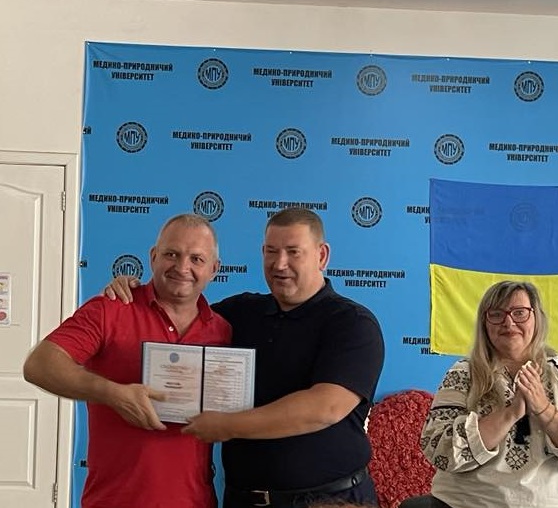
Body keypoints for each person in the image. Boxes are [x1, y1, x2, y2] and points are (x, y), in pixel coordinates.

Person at [105, 207, 386, 508]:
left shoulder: (352, 323)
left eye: (293, 252)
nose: (280, 263)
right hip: (242, 499)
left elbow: (325, 407)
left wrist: (228, 425)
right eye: (271, 251)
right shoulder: (238, 313)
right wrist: (131, 295)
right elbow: (174, 316)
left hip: (330, 500)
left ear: (322, 256)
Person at [22, 213, 231, 508]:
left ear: (214, 269)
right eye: (171, 254)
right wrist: (114, 394)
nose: (182, 267)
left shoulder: (222, 330)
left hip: (195, 501)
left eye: (196, 259)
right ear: (153, 257)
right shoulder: (111, 309)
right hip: (115, 500)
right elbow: (40, 364)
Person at [414, 280, 558, 508]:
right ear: (484, 323)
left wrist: (545, 410)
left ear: (536, 318)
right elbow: (438, 448)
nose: (508, 322)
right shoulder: (463, 373)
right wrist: (510, 414)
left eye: (519, 313)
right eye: (497, 314)